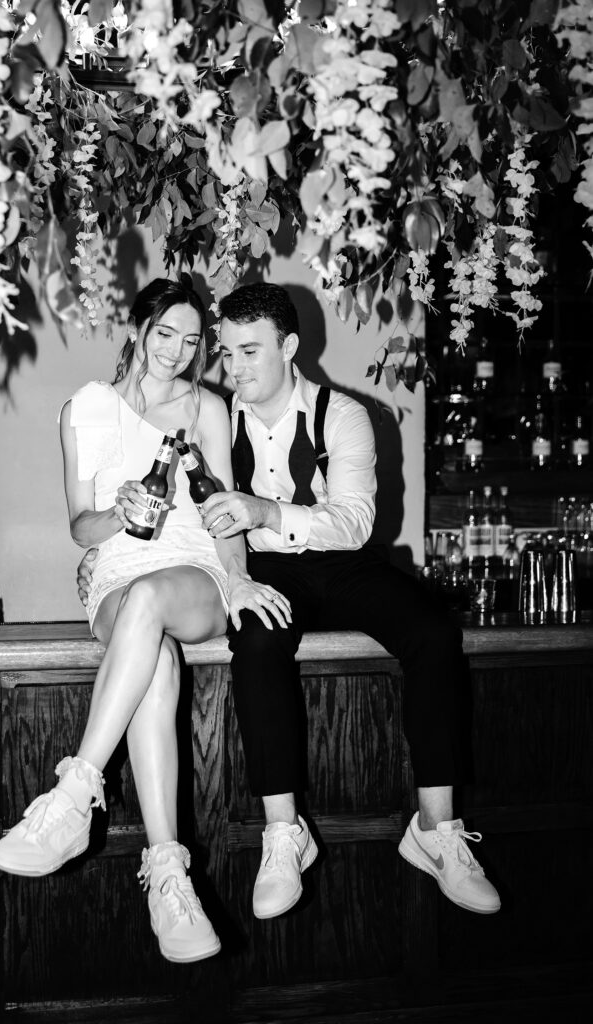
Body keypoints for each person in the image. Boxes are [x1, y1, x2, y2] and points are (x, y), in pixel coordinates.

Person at [78, 282, 500, 923]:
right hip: (267, 568)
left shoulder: (344, 414)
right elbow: (180, 515)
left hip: (347, 564)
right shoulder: (213, 419)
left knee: (434, 632)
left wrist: (265, 510)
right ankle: (283, 833)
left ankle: (436, 830)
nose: (234, 367)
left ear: (290, 347)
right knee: (255, 636)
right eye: (226, 353)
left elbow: (355, 521)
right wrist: (100, 552)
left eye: (250, 352)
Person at [0, 278, 292, 964]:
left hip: (192, 573)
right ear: (138, 328)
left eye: (191, 341)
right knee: (147, 651)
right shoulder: (86, 410)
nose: (178, 353)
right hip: (115, 579)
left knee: (152, 603)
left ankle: (74, 794)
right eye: (166, 335)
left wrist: (238, 578)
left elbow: (221, 510)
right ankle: (167, 876)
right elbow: (79, 526)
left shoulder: (207, 407)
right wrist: (117, 513)